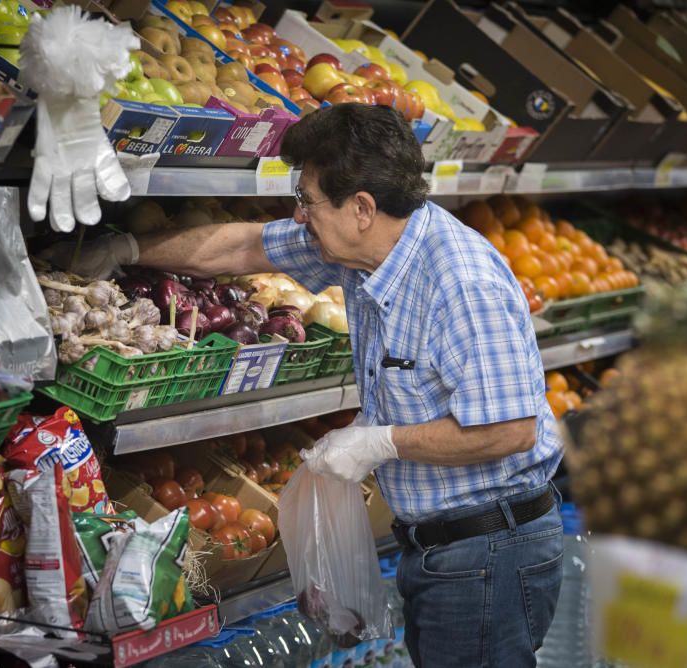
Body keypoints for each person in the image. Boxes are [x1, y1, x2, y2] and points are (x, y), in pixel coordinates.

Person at [70, 104, 564, 667]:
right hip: (448, 548)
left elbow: (511, 431)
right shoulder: (366, 249)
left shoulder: (459, 282)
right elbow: (243, 247)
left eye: (306, 200)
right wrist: (128, 251)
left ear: (361, 208)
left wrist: (384, 442)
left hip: (492, 553)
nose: (299, 216)